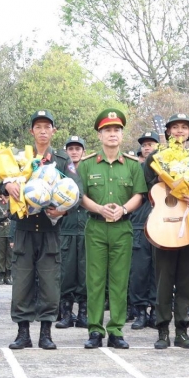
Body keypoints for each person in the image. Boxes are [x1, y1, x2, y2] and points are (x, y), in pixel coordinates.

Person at [4, 110, 81, 350]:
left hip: (50, 230)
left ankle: (46, 333)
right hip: (25, 229)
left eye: (47, 126)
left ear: (53, 131)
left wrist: (63, 210)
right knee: (22, 282)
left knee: (49, 282)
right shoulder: (21, 158)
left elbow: (76, 190)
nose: (43, 131)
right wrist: (7, 184)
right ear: (32, 131)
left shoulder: (61, 159)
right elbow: (2, 178)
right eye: (38, 127)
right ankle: (23, 333)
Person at [78, 110, 146, 349]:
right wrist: (98, 208)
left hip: (122, 228)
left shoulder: (131, 165)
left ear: (121, 134)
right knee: (95, 280)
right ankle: (95, 330)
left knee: (119, 281)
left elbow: (139, 194)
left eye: (116, 130)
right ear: (100, 134)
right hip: (96, 227)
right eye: (108, 130)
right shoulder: (86, 165)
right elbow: (80, 195)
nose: (112, 134)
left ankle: (116, 330)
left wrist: (124, 210)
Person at [143, 114, 189, 349]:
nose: (180, 131)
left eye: (184, 127)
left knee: (187, 280)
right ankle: (162, 330)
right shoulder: (156, 157)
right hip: (164, 223)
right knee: (163, 279)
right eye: (175, 127)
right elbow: (146, 186)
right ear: (168, 131)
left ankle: (182, 330)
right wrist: (166, 181)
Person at [128, 133, 159, 330]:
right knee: (138, 272)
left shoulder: (168, 170)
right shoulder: (136, 170)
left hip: (161, 226)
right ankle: (139, 311)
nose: (147, 148)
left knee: (158, 272)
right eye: (144, 146)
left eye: (151, 145)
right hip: (139, 225)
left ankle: (156, 310)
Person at [56, 135, 88, 330]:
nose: (74, 152)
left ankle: (84, 313)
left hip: (85, 228)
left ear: (83, 151)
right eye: (71, 148)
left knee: (85, 275)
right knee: (65, 274)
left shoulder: (87, 170)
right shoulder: (60, 171)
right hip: (65, 229)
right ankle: (66, 314)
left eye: (78, 148)